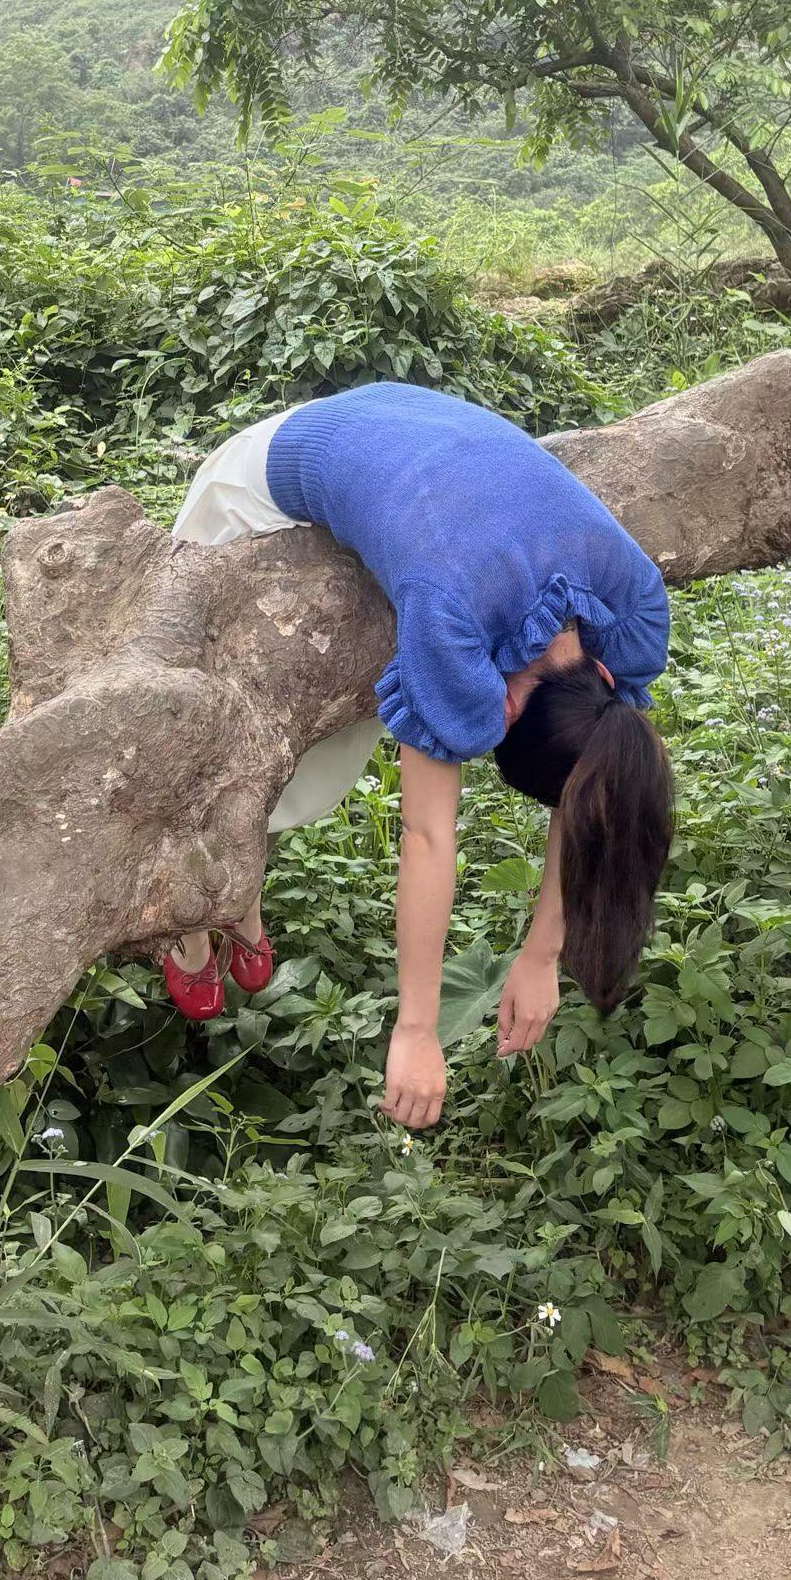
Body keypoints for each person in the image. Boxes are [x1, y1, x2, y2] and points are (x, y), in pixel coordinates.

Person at [166, 381, 674, 1128]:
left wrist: (541, 956)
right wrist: (415, 1031)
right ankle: (206, 907)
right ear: (505, 710)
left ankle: (241, 887)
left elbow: (593, 770)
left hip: (408, 424)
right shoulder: (455, 606)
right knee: (226, 735)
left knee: (343, 733)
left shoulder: (631, 604)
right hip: (260, 483)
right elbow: (428, 836)